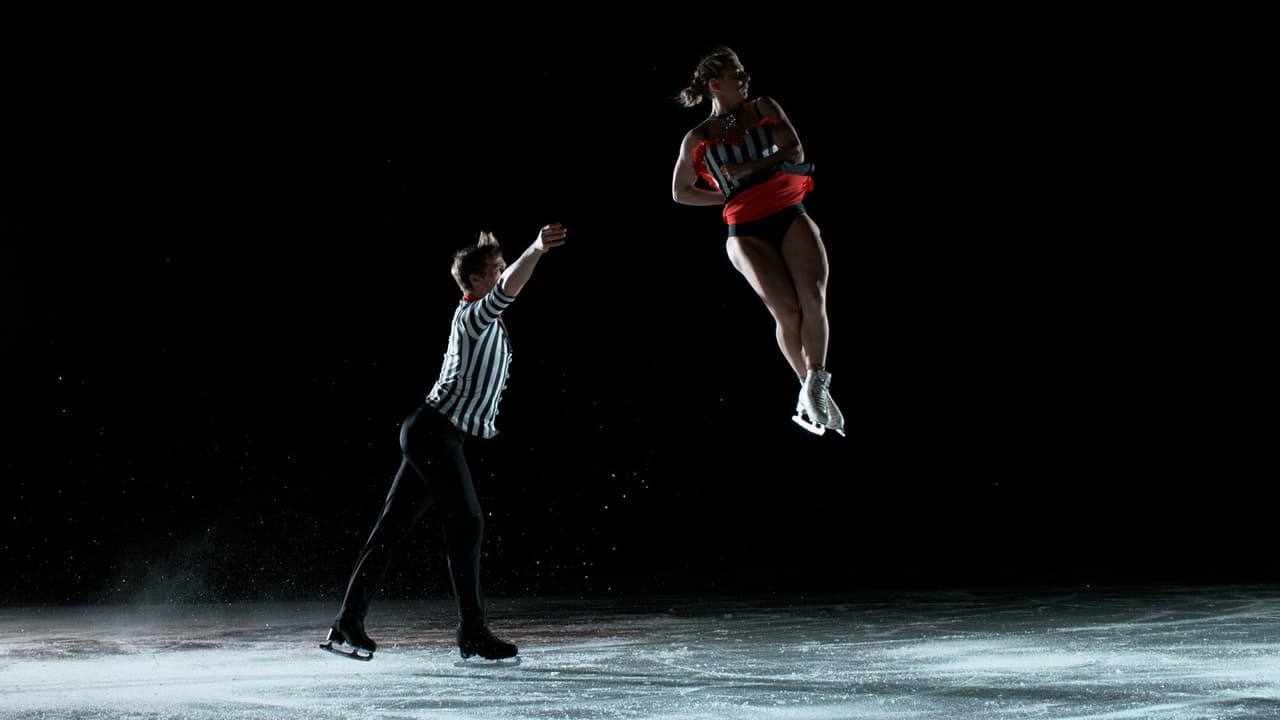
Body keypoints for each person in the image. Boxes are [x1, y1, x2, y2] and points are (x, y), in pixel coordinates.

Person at [321, 223, 568, 662]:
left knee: (392, 530)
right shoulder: (475, 316)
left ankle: (347, 623)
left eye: (499, 267)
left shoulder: (481, 315)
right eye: (493, 270)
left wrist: (490, 248)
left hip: (431, 432)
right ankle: (471, 631)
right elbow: (510, 285)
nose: (502, 273)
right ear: (474, 282)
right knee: (467, 522)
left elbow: (506, 279)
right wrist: (535, 248)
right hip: (434, 432)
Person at [671, 46, 844, 437]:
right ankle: (805, 386)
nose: (746, 79)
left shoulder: (763, 107)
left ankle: (817, 381)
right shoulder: (697, 137)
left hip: (787, 210)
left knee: (813, 296)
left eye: (744, 71)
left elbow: (794, 149)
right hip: (744, 229)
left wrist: (748, 169)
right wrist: (726, 195)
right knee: (786, 310)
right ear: (716, 85)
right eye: (737, 74)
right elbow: (680, 191)